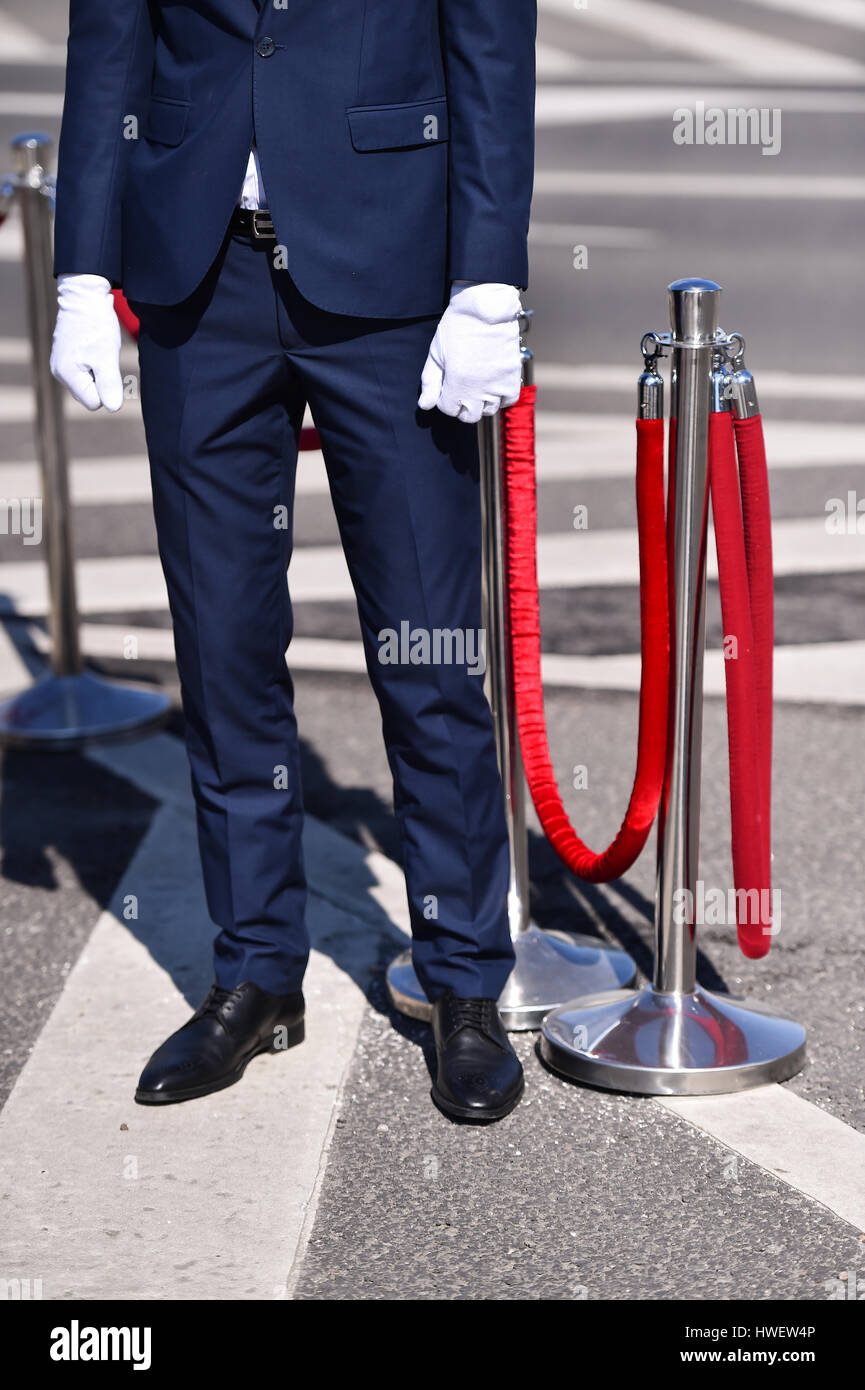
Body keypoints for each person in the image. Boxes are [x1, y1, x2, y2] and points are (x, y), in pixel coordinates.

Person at [50, 0, 537, 1122]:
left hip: (394, 267)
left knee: (425, 649)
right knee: (220, 646)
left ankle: (463, 979)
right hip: (196, 279)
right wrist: (81, 269)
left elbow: (489, 50)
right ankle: (257, 971)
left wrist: (488, 279)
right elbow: (108, 41)